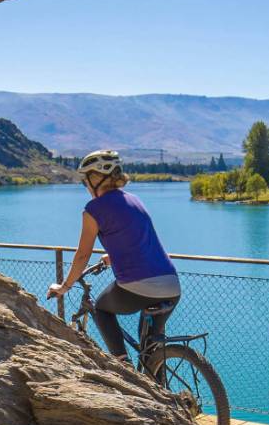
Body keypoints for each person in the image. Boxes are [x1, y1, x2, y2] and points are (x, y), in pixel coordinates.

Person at [47, 150, 181, 358]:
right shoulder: (134, 200)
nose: (86, 187)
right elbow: (139, 239)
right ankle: (156, 381)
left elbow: (82, 255)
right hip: (171, 285)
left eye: (85, 181)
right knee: (150, 351)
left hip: (140, 286)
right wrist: (113, 256)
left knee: (101, 309)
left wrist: (64, 287)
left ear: (96, 178)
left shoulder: (94, 209)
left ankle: (122, 366)